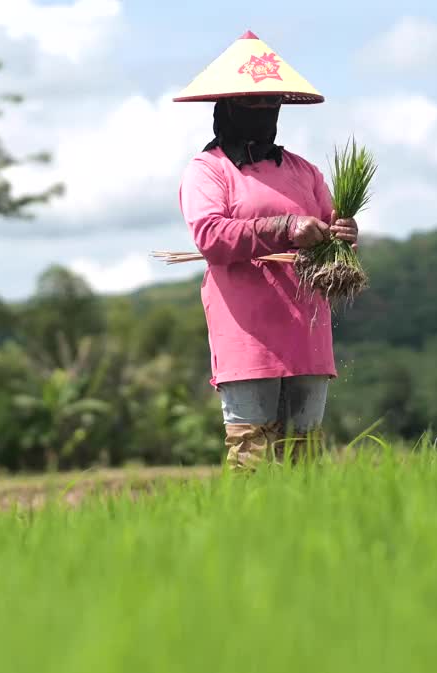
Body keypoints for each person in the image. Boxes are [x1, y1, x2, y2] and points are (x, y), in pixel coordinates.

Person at [173, 31, 358, 470]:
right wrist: (287, 227)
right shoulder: (209, 170)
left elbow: (329, 230)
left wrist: (344, 232)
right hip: (248, 335)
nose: (263, 111)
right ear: (228, 107)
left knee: (304, 460)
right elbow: (211, 237)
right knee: (252, 461)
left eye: (270, 102)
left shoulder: (302, 171)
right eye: (252, 103)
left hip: (307, 335)